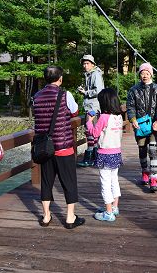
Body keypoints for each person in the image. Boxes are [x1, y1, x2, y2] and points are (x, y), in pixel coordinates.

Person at [33, 65, 85, 229]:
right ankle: (70, 218)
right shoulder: (64, 94)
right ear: (60, 79)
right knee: (68, 181)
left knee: (47, 181)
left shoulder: (37, 96)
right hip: (63, 146)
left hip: (44, 148)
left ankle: (46, 216)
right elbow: (75, 112)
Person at [126, 63, 157, 192]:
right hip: (141, 125)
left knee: (153, 150)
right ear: (139, 75)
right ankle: (145, 172)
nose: (145, 75)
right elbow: (130, 106)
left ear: (151, 75)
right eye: (142, 73)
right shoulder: (134, 90)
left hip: (154, 125)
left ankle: (154, 178)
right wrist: (132, 119)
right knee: (142, 149)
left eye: (147, 73)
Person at [86, 88, 123, 222]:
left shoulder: (104, 117)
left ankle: (108, 213)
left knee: (105, 183)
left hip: (105, 154)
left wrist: (89, 121)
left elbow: (94, 133)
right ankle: (114, 207)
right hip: (116, 152)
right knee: (114, 180)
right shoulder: (118, 116)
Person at [77, 54, 105, 167]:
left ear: (93, 64)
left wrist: (85, 93)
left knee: (91, 133)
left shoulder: (95, 75)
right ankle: (94, 158)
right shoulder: (89, 75)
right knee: (92, 133)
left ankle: (89, 158)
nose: (85, 65)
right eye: (84, 63)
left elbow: (99, 91)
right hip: (91, 106)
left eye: (87, 63)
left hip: (93, 107)